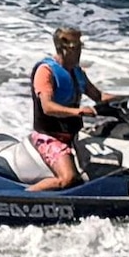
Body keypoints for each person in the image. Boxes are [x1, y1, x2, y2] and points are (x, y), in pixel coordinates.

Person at [27, 25, 109, 188]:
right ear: (62, 48)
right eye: (75, 48)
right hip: (49, 137)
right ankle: (24, 200)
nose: (79, 52)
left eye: (80, 47)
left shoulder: (77, 72)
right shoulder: (46, 71)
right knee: (68, 178)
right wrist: (78, 111)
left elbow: (99, 96)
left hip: (73, 136)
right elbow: (48, 107)